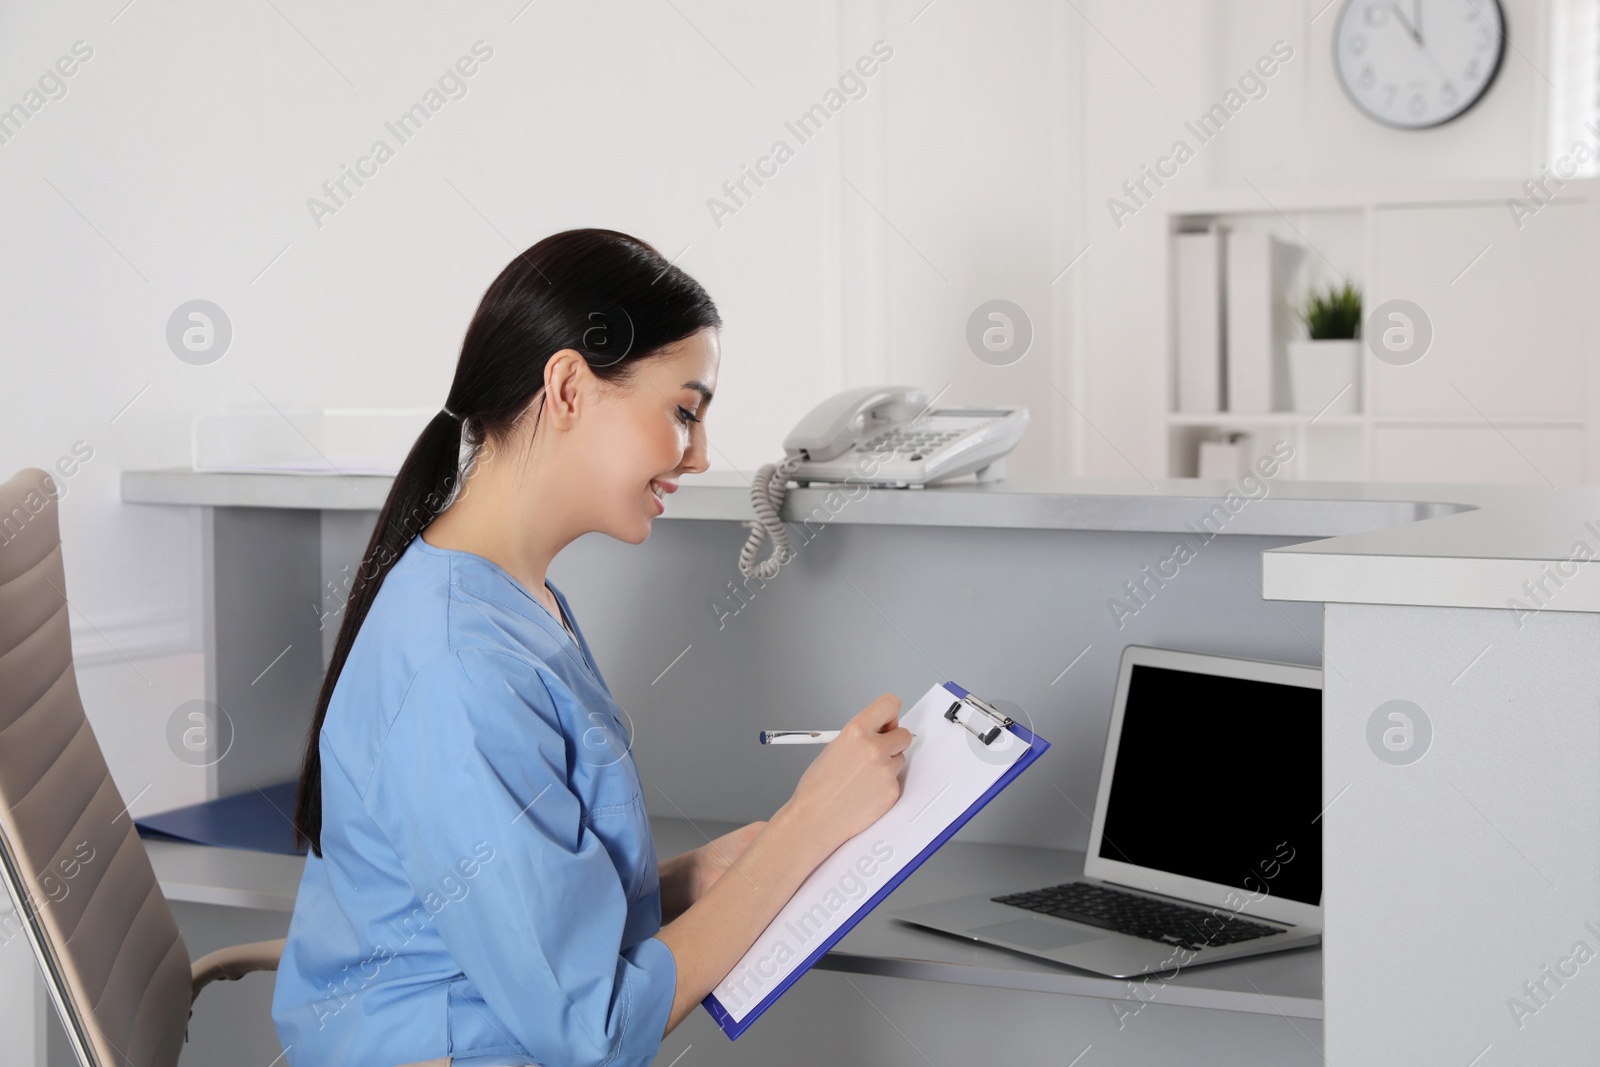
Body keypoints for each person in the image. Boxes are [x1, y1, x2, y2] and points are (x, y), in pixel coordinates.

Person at [270, 228, 913, 1067]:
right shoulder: (461, 666)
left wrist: (685, 881)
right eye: (684, 411)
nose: (703, 454)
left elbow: (519, 897)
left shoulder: (511, 599)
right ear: (570, 386)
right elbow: (592, 1028)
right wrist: (805, 828)